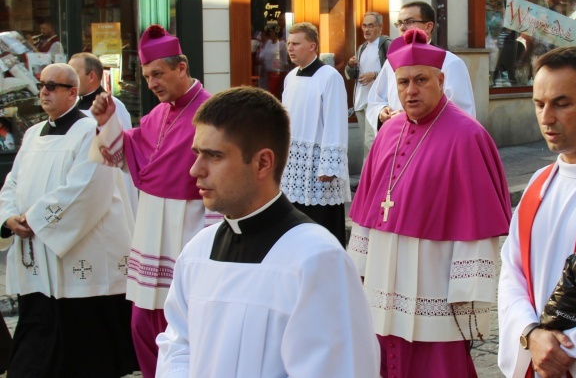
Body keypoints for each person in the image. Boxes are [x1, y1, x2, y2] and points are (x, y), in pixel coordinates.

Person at [156, 86, 380, 377]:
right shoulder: (197, 251)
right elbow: (177, 347)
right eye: (197, 153)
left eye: (214, 156)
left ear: (263, 162)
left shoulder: (316, 259)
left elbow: (340, 369)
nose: (195, 169)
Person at [348, 29, 511, 378]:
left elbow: (476, 227)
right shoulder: (387, 133)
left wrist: (466, 296)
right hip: (382, 277)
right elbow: (365, 217)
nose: (411, 90)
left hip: (434, 281)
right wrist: (358, 273)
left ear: (441, 79)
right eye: (403, 81)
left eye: (421, 80)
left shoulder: (467, 136)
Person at [89, 24, 216, 378]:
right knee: (142, 327)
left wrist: (214, 244)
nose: (152, 83)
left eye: (158, 74)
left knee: (182, 329)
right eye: (146, 77)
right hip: (150, 231)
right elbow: (123, 156)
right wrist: (105, 121)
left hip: (186, 231)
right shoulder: (157, 114)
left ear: (182, 67)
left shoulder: (212, 113)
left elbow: (221, 180)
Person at [0, 63, 137, 377]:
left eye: (52, 85)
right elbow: (12, 182)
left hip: (79, 258)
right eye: (41, 85)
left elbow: (87, 188)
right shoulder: (33, 134)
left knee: (84, 353)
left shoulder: (93, 130)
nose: (44, 91)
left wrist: (34, 220)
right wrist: (9, 217)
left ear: (73, 92)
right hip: (37, 256)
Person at [498, 46, 576, 378]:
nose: (546, 118)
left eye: (562, 104)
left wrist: (565, 348)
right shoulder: (538, 184)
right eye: (539, 104)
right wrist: (531, 334)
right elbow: (511, 272)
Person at [281, 22, 351, 248]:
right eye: (289, 44)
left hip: (319, 165)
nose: (290, 49)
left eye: (296, 44)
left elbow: (335, 120)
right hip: (294, 163)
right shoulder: (290, 77)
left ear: (312, 46)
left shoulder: (329, 76)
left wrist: (329, 166)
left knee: (322, 223)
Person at [366, 1, 476, 133]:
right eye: (399, 23)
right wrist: (381, 112)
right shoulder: (392, 62)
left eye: (409, 21)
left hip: (433, 139)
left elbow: (461, 113)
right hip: (396, 137)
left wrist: (412, 117)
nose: (402, 27)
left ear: (428, 26)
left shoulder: (450, 62)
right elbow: (375, 99)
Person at [69, 52, 138, 217]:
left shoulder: (113, 106)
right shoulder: (74, 107)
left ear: (91, 76)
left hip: (109, 185)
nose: (69, 80)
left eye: (73, 73)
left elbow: (121, 153)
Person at [345, 11, 392, 161]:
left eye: (370, 26)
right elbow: (351, 75)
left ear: (380, 27)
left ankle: (374, 180)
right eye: (364, 25)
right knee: (367, 145)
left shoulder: (386, 44)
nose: (366, 29)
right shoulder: (362, 48)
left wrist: (375, 75)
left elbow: (395, 71)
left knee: (372, 143)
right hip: (361, 101)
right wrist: (350, 65)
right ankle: (367, 180)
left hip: (377, 103)